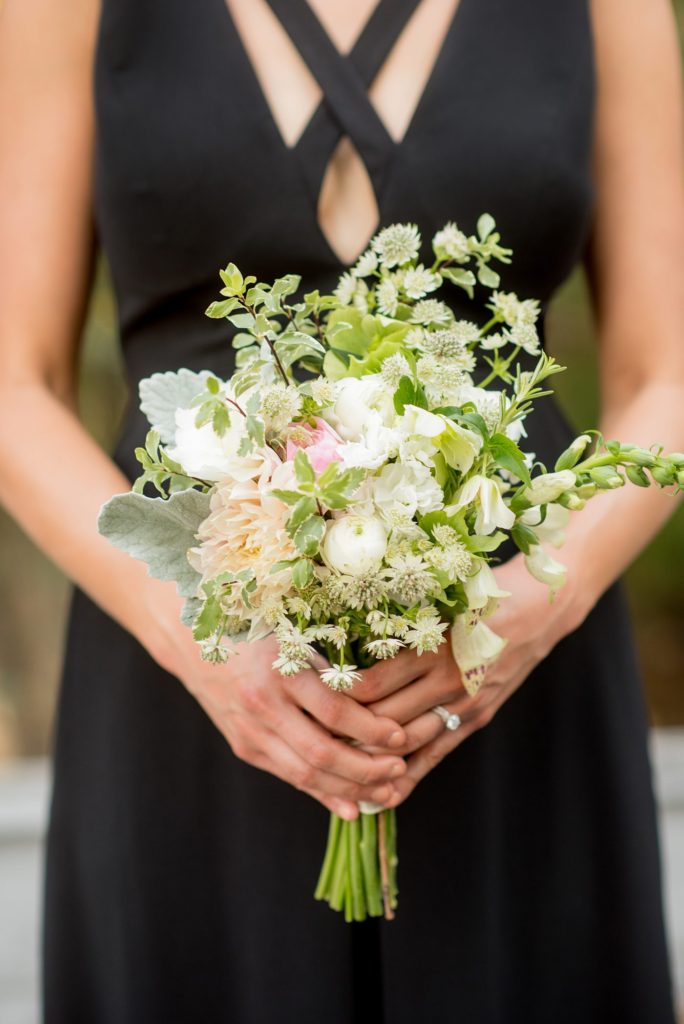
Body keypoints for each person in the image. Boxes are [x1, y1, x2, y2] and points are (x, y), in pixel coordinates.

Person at [0, 0, 682, 1020]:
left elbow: (665, 373)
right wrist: (195, 642)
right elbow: (16, 380)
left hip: (521, 701)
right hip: (186, 710)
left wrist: (537, 605)